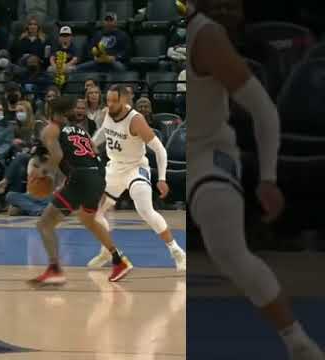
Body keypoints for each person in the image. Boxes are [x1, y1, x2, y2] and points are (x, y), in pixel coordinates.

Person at [185, 1, 324, 359]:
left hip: (205, 150)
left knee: (227, 245)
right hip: (152, 148)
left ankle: (298, 343)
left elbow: (263, 109)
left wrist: (268, 178)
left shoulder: (206, 36)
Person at [29, 96, 133, 285]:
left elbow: (58, 155)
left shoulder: (51, 129)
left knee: (44, 224)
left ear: (49, 110)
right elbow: (92, 151)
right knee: (88, 219)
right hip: (98, 177)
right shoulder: (81, 130)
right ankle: (119, 261)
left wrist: (43, 173)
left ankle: (54, 270)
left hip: (81, 178)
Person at [86, 85, 186, 272]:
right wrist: (92, 143)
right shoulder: (108, 113)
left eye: (114, 101)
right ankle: (107, 251)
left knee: (145, 210)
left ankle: (177, 251)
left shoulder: (136, 120)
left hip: (135, 168)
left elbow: (160, 150)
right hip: (115, 168)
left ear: (124, 100)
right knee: (94, 212)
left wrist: (162, 178)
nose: (109, 104)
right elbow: (104, 131)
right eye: (107, 100)